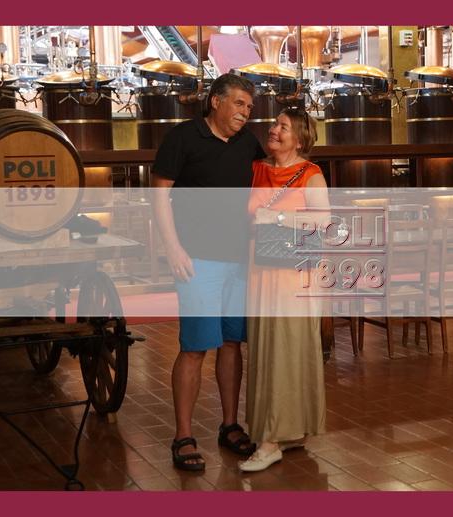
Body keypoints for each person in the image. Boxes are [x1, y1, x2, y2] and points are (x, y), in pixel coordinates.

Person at [151, 73, 266, 472]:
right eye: (239, 104)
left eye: (249, 107)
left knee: (232, 344)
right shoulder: (183, 138)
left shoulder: (248, 143)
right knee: (195, 347)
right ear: (216, 101)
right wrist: (172, 247)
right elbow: (159, 197)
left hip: (240, 261)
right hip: (197, 260)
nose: (245, 113)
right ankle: (183, 436)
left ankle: (230, 425)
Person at [240, 108, 329, 472]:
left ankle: (271, 441)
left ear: (300, 139)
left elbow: (323, 222)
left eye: (283, 127)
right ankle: (289, 431)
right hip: (260, 271)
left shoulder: (311, 175)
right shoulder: (257, 169)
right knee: (266, 351)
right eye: (274, 124)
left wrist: (276, 217)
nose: (273, 130)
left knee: (287, 351)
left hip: (294, 275)